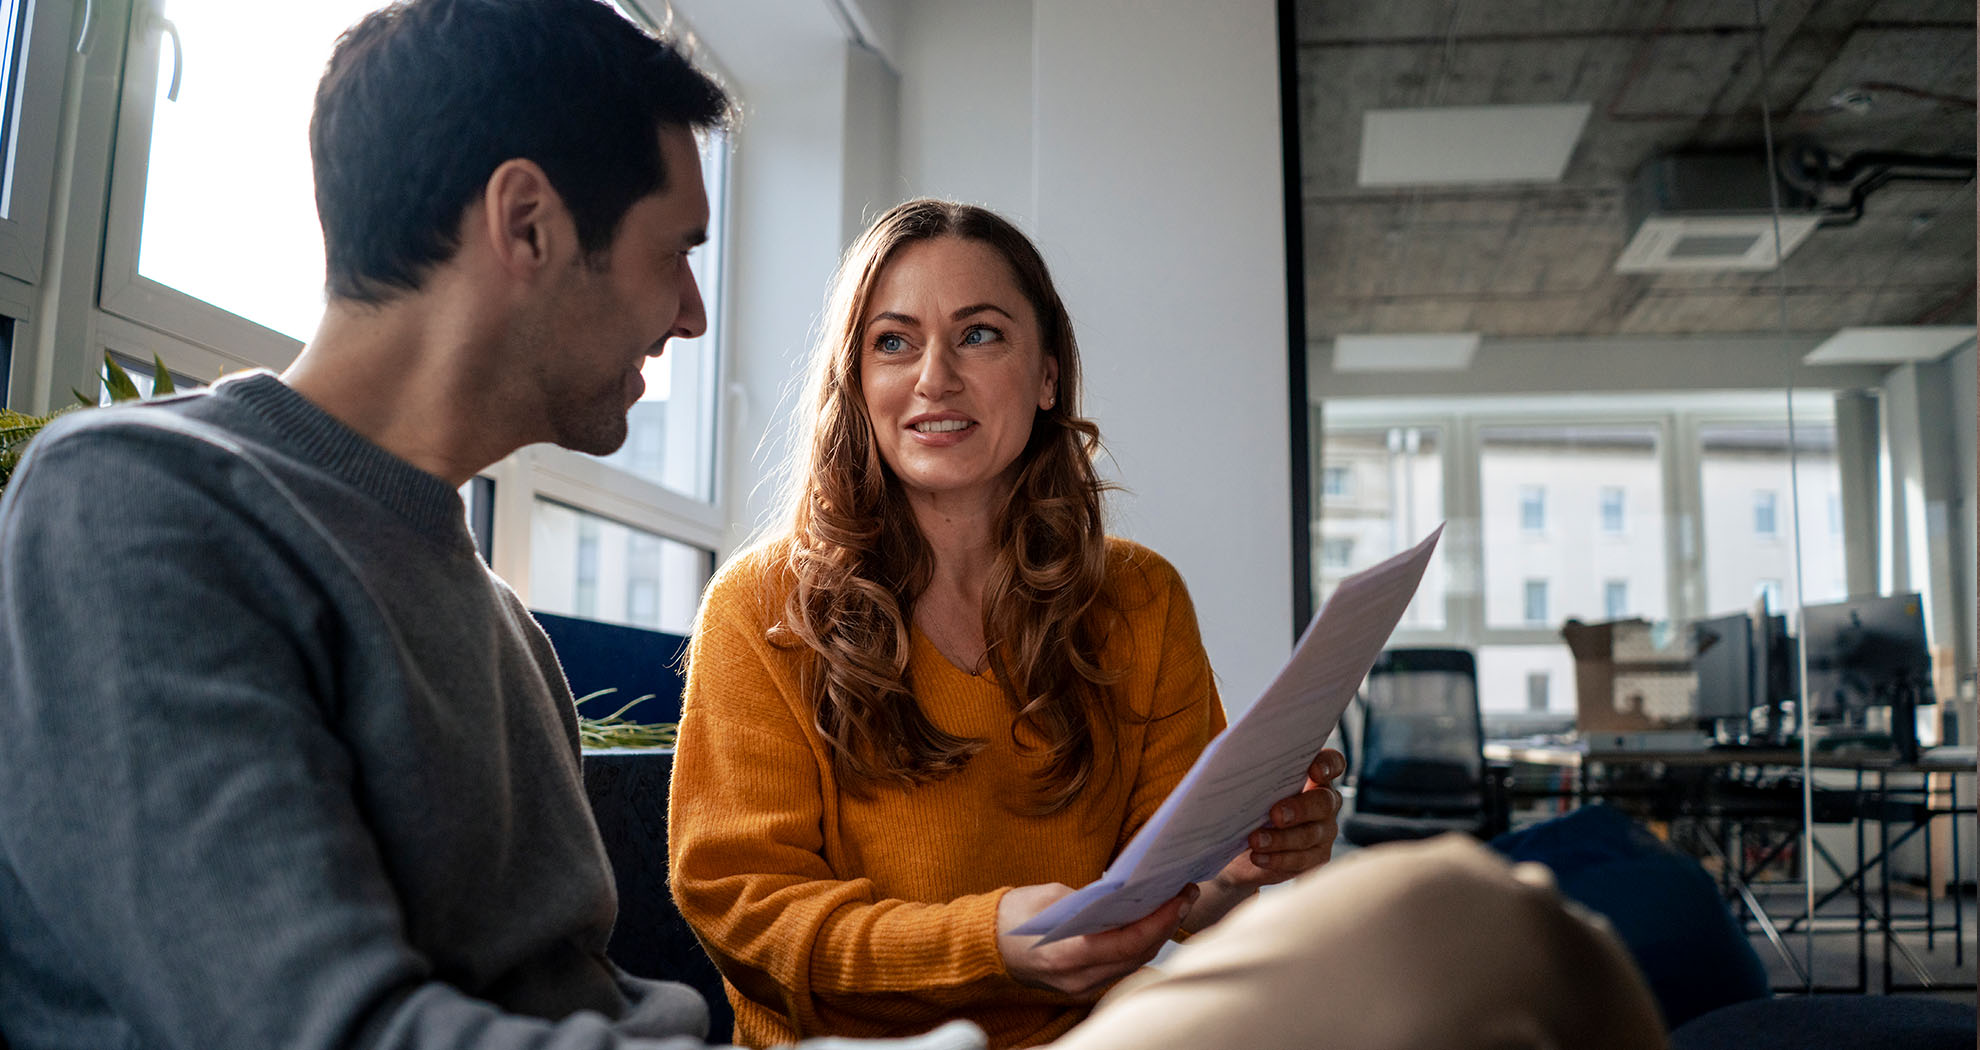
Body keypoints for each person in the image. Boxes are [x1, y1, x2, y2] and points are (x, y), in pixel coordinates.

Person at [0, 2, 896, 1048]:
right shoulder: (133, 505)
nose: (692, 312)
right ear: (527, 223)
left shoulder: (506, 631)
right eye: (677, 251)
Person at [667, 199, 1344, 1048]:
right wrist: (989, 945)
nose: (934, 378)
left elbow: (1171, 895)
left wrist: (1242, 864)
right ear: (856, 381)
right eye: (893, 341)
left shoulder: (1141, 599)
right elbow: (746, 916)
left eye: (979, 334)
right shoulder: (759, 610)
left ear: (1049, 375)